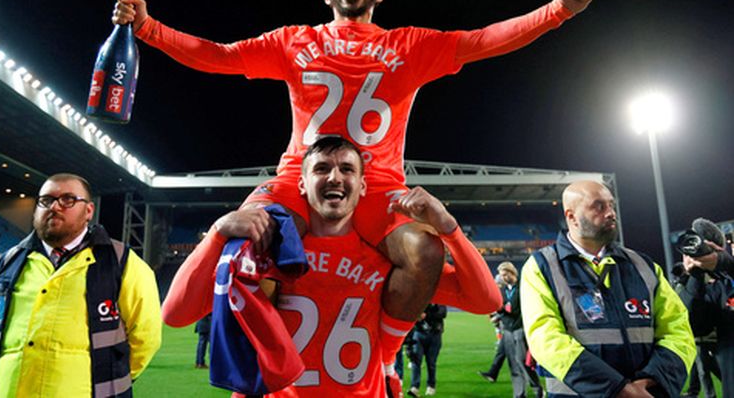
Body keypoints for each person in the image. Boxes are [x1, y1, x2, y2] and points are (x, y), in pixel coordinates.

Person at [112, 0, 593, 325]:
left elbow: (484, 39)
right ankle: (266, 358)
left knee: (424, 252)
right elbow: (218, 55)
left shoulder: (408, 44)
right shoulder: (294, 40)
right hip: (298, 181)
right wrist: (149, 29)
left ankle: (382, 357)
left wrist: (557, 11)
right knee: (246, 246)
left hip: (379, 186)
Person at [161, 136, 502, 396]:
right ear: (301, 184)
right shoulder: (268, 251)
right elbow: (175, 315)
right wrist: (218, 234)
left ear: (363, 186)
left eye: (347, 169)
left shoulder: (386, 258)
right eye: (321, 168)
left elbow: (486, 301)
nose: (335, 177)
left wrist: (450, 230)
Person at [0, 173, 162, 398]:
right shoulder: (6, 263)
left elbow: (145, 338)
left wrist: (113, 378)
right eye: (46, 200)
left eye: (68, 199)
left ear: (89, 211)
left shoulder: (124, 263)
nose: (55, 206)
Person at [520, 180, 696, 397]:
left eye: (611, 205)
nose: (611, 213)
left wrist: (653, 380)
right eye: (599, 206)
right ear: (571, 216)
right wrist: (618, 390)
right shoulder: (541, 266)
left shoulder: (644, 266)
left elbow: (678, 330)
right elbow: (545, 340)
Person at [680, 239, 732, 397]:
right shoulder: (718, 287)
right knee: (704, 372)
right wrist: (695, 275)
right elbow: (693, 323)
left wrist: (727, 264)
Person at [494, 261, 543, 398]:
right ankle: (519, 394)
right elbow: (503, 308)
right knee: (513, 364)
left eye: (505, 275)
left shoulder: (524, 287)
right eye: (501, 276)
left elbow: (525, 307)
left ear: (512, 273)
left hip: (521, 329)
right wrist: (501, 311)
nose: (503, 278)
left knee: (522, 361)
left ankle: (536, 387)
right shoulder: (503, 291)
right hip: (508, 330)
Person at [407, 303, 447, 397]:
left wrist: (426, 315)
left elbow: (443, 313)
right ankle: (414, 387)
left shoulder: (439, 300)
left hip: (435, 334)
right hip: (419, 333)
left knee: (431, 362)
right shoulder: (420, 298)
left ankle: (431, 386)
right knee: (416, 360)